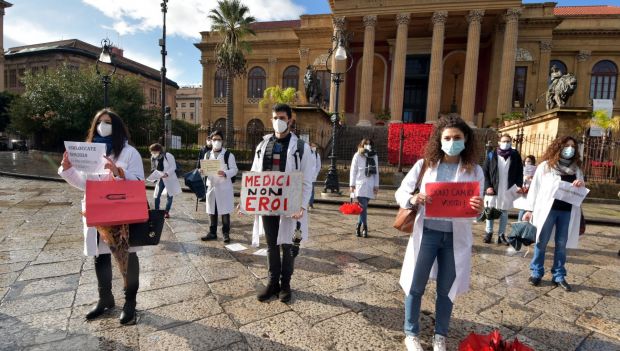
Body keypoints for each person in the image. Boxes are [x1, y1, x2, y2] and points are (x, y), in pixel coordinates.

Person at [395, 115, 484, 351]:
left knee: (447, 289)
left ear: (466, 140)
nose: (452, 141)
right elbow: (401, 192)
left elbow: (476, 213)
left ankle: (440, 335)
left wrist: (480, 209)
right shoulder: (425, 165)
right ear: (439, 140)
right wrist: (413, 198)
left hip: (455, 239)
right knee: (416, 284)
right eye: (447, 137)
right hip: (427, 234)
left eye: (457, 137)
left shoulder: (475, 171)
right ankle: (411, 333)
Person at [58, 108, 144, 325]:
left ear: (117, 127)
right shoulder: (88, 152)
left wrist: (117, 172)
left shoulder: (129, 152)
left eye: (107, 122)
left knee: (128, 255)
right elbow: (84, 184)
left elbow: (139, 182)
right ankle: (105, 298)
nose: (102, 126)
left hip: (122, 215)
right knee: (101, 256)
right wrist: (68, 169)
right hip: (97, 213)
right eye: (99, 122)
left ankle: (130, 302)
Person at [250, 103, 313, 303]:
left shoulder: (301, 148)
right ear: (271, 120)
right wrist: (247, 200)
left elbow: (307, 179)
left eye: (283, 118)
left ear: (290, 120)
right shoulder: (262, 145)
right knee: (270, 245)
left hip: (289, 202)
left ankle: (286, 284)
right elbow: (254, 174)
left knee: (286, 245)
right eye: (275, 118)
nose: (279, 122)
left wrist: (302, 205)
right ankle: (272, 283)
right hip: (267, 202)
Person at [523, 136, 585, 292]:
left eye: (572, 146)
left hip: (567, 211)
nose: (569, 149)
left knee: (562, 245)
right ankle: (536, 272)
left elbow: (581, 191)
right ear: (559, 147)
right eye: (566, 145)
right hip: (547, 210)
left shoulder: (576, 169)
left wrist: (580, 185)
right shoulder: (545, 166)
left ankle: (558, 275)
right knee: (541, 242)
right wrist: (529, 210)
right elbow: (535, 188)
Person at [482, 134, 523, 245]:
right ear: (499, 142)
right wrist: (488, 186)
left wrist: (519, 185)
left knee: (504, 212)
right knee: (490, 211)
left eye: (508, 141)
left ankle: (501, 235)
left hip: (507, 188)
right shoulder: (491, 155)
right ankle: (488, 233)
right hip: (493, 188)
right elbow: (485, 172)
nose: (506, 143)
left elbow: (520, 171)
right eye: (504, 141)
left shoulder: (515, 155)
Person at [201, 130, 238, 243]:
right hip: (212, 186)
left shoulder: (228, 155)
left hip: (224, 187)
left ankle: (225, 233)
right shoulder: (207, 154)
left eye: (219, 139)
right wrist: (202, 171)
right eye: (214, 139)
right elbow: (205, 169)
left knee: (225, 211)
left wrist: (225, 173)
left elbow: (235, 169)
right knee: (212, 211)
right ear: (210, 141)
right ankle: (212, 233)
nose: (217, 141)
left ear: (222, 141)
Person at [349, 138, 379, 238]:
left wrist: (376, 185)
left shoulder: (374, 156)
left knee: (363, 208)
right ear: (362, 145)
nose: (368, 145)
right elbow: (353, 171)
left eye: (369, 144)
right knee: (363, 207)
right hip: (360, 185)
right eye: (366, 144)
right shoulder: (357, 155)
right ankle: (365, 227)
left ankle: (358, 226)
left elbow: (376, 172)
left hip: (370, 185)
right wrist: (352, 185)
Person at [150, 143, 182, 219]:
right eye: (152, 152)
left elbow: (173, 166)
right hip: (160, 178)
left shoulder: (168, 155)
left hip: (169, 178)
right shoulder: (153, 158)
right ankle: (157, 211)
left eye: (154, 151)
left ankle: (166, 212)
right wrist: (154, 176)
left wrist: (167, 174)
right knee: (157, 195)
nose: (153, 153)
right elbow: (153, 169)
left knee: (169, 196)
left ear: (159, 150)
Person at [517, 155, 537, 221]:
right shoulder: (522, 169)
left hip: (531, 191)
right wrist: (525, 179)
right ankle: (519, 222)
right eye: (526, 161)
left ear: (532, 162)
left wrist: (531, 178)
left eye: (529, 161)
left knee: (529, 209)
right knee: (522, 209)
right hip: (524, 191)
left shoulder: (535, 170)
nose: (527, 163)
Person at [196, 136, 213, 202]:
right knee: (204, 183)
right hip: (204, 168)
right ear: (206, 140)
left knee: (210, 183)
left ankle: (210, 196)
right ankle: (204, 196)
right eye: (208, 140)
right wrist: (198, 167)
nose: (209, 141)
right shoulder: (202, 149)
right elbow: (199, 158)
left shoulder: (213, 149)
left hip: (211, 168)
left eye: (210, 140)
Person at [309, 142, 321, 209]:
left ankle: (310, 203)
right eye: (313, 146)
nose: (315, 147)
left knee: (312, 190)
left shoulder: (316, 154)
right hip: (306, 175)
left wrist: (315, 173)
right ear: (310, 146)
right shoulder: (306, 153)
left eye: (315, 146)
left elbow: (318, 165)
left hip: (313, 175)